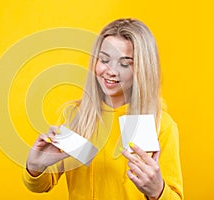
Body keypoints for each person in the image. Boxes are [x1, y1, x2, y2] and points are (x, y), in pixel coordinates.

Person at [23, 18, 183, 200]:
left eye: (124, 63)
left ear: (143, 68)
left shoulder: (159, 125)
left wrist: (157, 191)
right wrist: (35, 166)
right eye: (104, 59)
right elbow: (42, 185)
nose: (111, 71)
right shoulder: (76, 116)